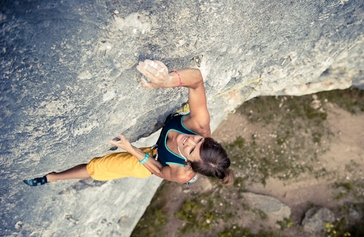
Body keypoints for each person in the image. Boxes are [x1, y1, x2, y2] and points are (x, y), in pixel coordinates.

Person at [23, 60, 234, 186]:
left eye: (190, 150)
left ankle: (53, 178)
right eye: (198, 141)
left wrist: (130, 149)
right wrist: (168, 80)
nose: (188, 141)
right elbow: (196, 79)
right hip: (177, 128)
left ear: (188, 163)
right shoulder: (199, 124)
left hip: (155, 159)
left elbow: (159, 171)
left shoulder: (182, 172)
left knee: (99, 167)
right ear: (207, 137)